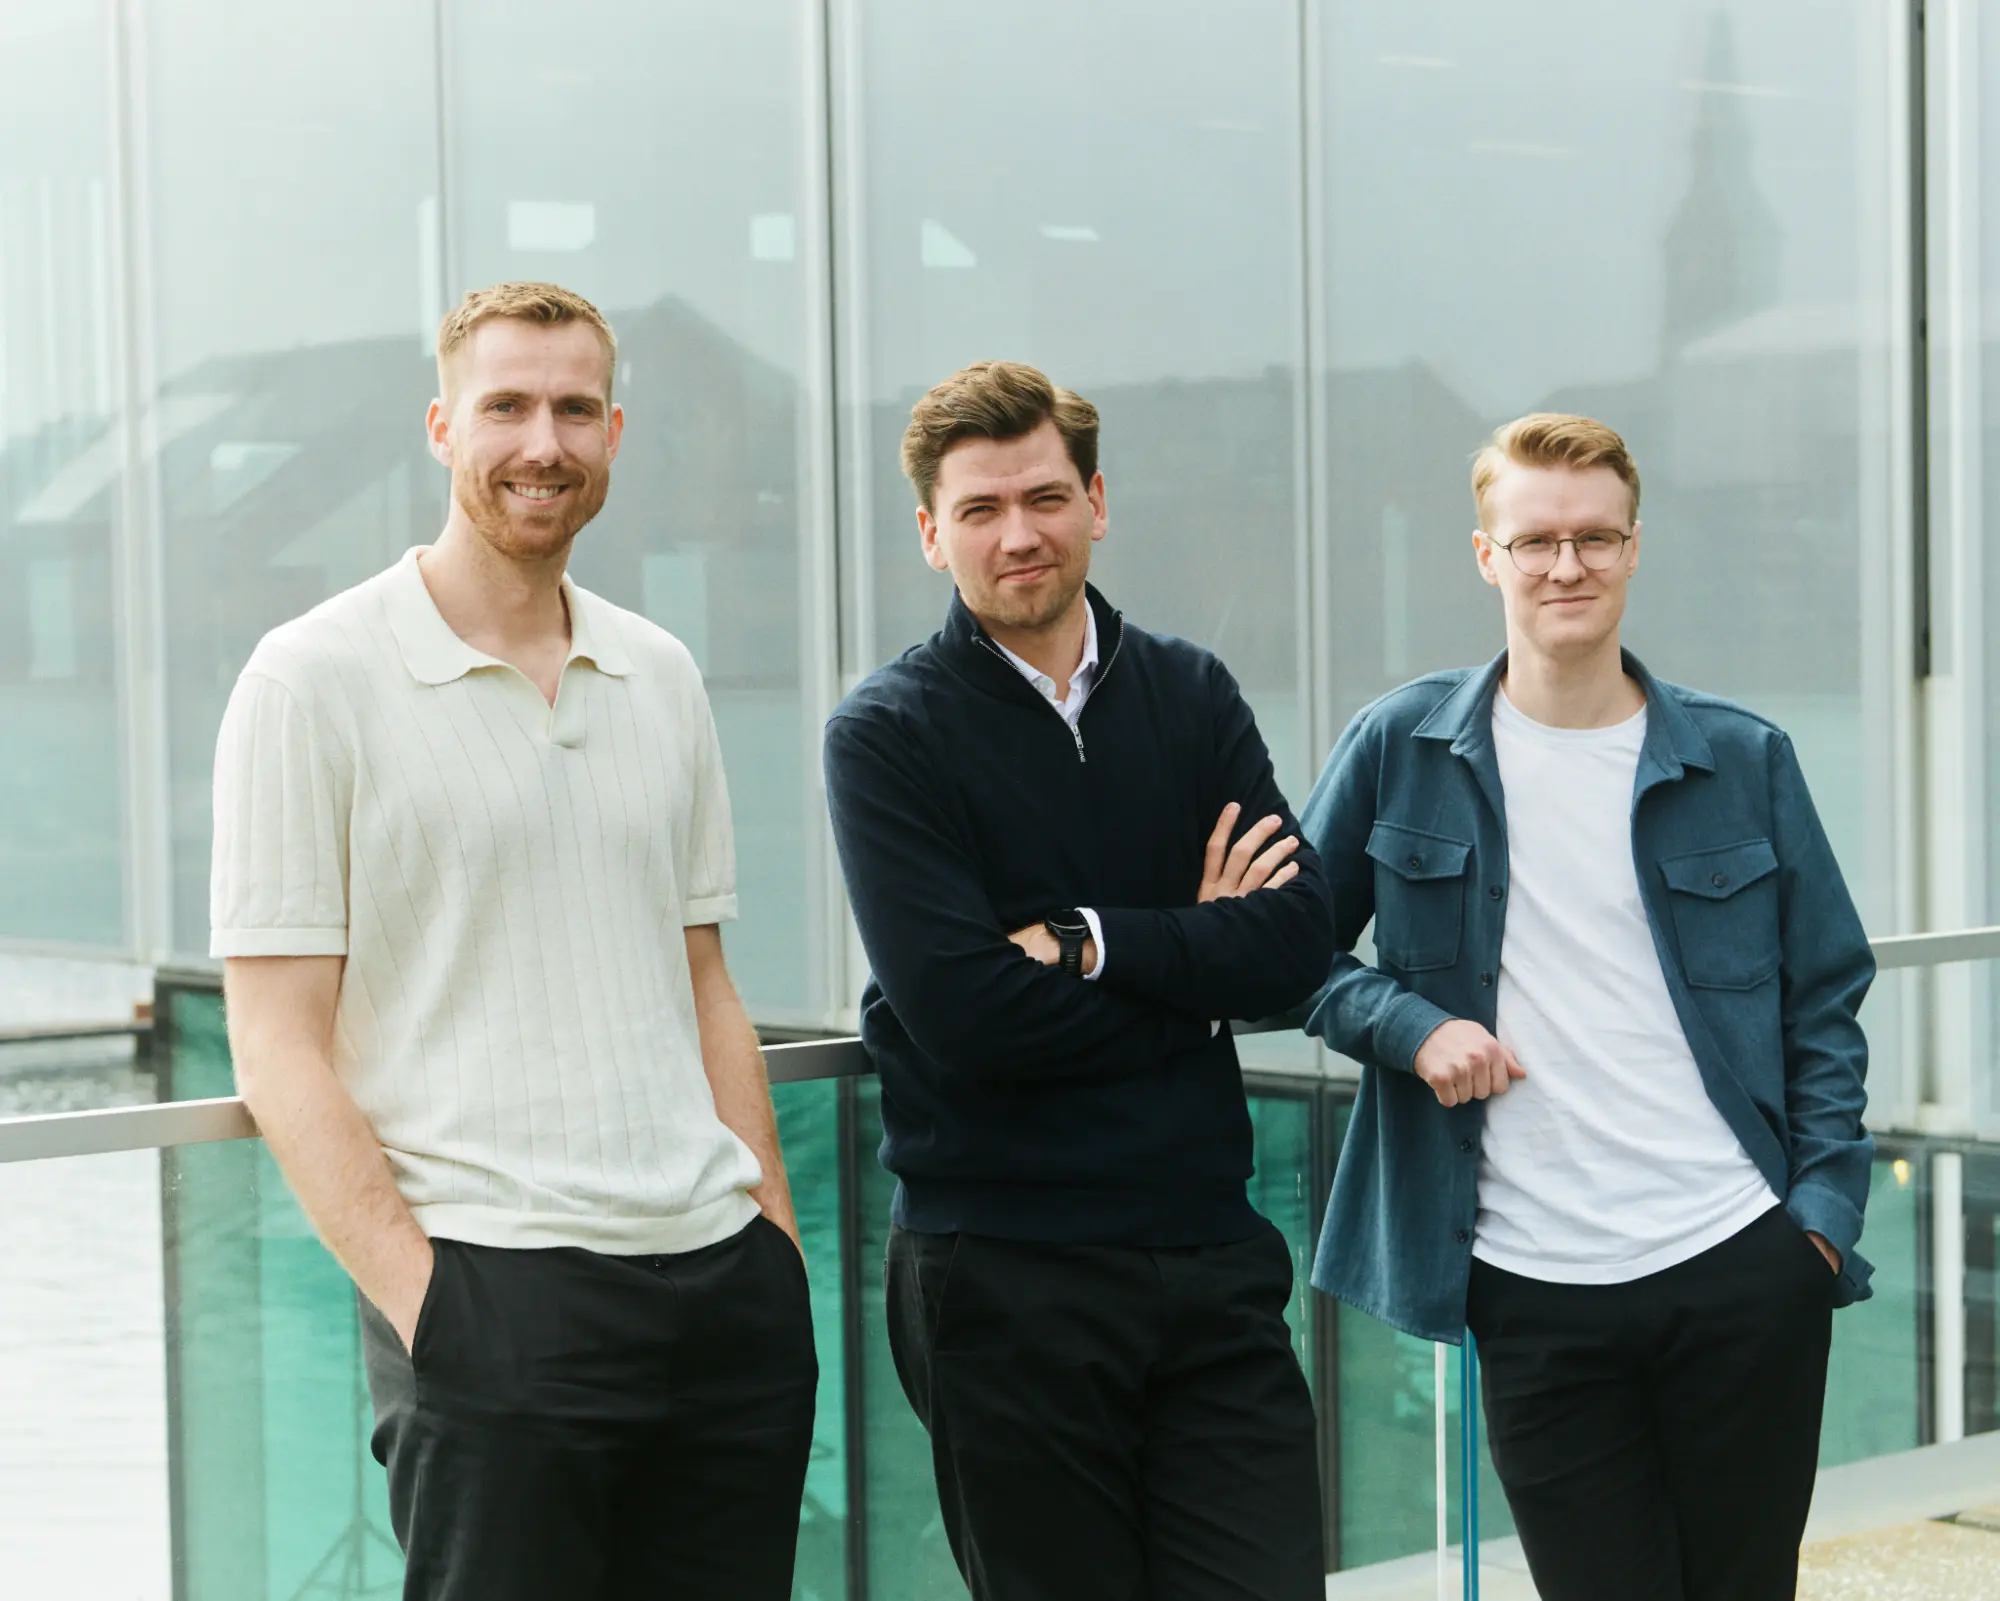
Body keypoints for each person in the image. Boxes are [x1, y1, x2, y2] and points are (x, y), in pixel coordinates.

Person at [209, 281, 816, 1601]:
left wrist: (772, 1243)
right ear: (442, 426)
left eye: (575, 410)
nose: (543, 442)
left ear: (614, 434)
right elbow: (274, 1044)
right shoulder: (310, 679)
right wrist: (428, 1306)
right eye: (507, 407)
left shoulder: (661, 672)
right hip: (490, 1295)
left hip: (723, 1296)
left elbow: (704, 981)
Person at [1301, 412, 1874, 1600]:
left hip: (1738, 1260)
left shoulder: (1741, 756)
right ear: (1485, 554)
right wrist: (1409, 1026)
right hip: (1529, 1281)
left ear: (1631, 546)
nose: (1565, 565)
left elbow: (1823, 989)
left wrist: (1816, 1220)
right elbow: (1283, 951)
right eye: (1535, 540)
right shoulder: (1400, 744)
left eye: (1594, 538)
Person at [823, 360, 1336, 1600]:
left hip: (1207, 1249)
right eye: (981, 508)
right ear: (930, 531)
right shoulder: (886, 734)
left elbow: (1296, 940)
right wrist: (1195, 971)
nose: (1019, 534)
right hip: (1002, 1275)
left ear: (1095, 502)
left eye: (1045, 497)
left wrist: (1096, 940)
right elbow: (966, 1016)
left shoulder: (1189, 691)